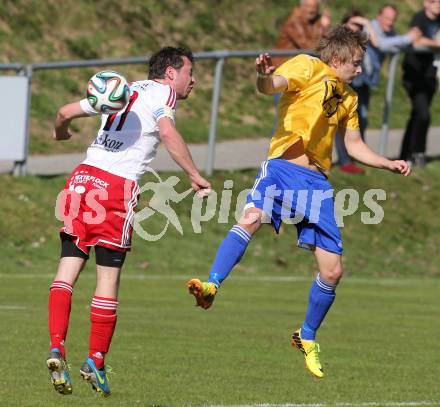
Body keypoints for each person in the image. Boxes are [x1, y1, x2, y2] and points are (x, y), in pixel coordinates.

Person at [187, 26, 410, 379]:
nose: (360, 69)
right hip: (282, 168)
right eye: (356, 63)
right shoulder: (307, 66)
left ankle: (306, 336)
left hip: (316, 184)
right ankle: (213, 284)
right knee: (250, 217)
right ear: (337, 59)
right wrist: (263, 76)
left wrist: (387, 162)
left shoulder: (349, 99)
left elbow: (353, 146)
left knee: (332, 271)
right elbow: (271, 87)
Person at [46, 47, 210, 397]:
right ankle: (95, 360)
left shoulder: (120, 88)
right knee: (108, 277)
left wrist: (61, 134)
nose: (192, 80)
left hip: (82, 178)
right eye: (189, 72)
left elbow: (63, 113)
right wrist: (194, 174)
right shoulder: (163, 93)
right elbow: (167, 133)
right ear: (170, 73)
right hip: (116, 187)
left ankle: (57, 347)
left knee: (67, 269)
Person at [335, 5, 422, 174]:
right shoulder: (368, 28)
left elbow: (392, 44)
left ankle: (356, 158)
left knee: (362, 120)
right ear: (379, 16)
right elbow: (379, 43)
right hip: (353, 80)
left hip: (365, 82)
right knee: (343, 121)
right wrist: (407, 38)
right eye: (387, 18)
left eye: (393, 19)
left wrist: (409, 40)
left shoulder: (388, 33)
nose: (390, 22)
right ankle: (345, 161)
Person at [271, 0, 331, 134]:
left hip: (301, 76)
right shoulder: (294, 22)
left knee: (300, 119)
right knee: (284, 120)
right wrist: (323, 27)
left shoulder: (314, 21)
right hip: (286, 75)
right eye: (309, 7)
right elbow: (309, 47)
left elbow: (327, 44)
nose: (311, 11)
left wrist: (324, 27)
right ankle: (277, 154)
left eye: (314, 8)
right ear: (301, 6)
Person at [400, 0, 440, 167]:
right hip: (415, 76)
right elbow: (416, 41)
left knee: (418, 115)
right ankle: (418, 152)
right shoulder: (419, 18)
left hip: (430, 76)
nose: (438, 3)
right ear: (426, 3)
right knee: (423, 114)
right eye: (433, 1)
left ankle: (406, 154)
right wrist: (436, 45)